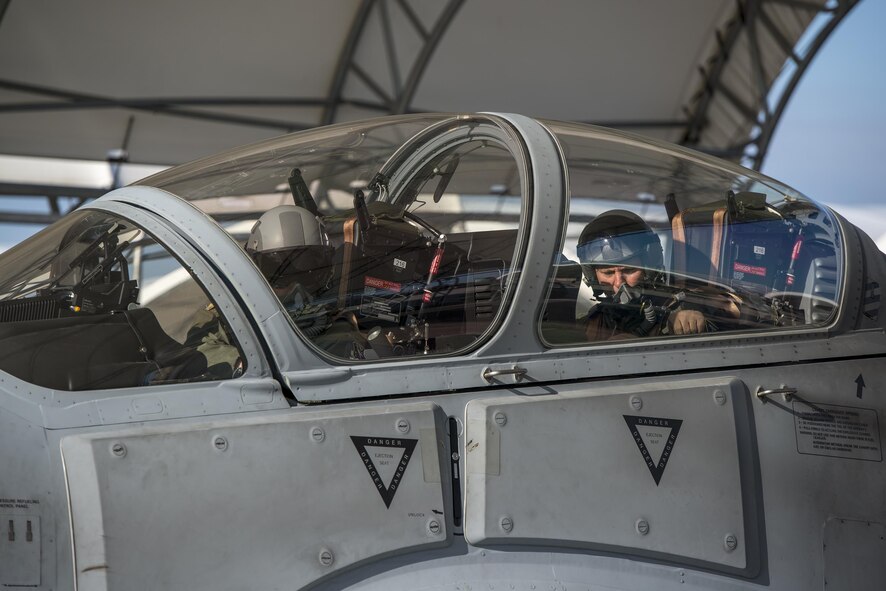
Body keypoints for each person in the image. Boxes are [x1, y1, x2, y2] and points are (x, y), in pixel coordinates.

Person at [577, 210, 707, 340]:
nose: (618, 282)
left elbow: (712, 320)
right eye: (608, 273)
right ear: (593, 276)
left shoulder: (681, 306)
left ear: (649, 269)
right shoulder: (593, 322)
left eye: (629, 270)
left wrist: (691, 322)